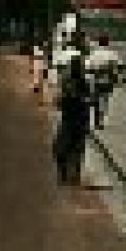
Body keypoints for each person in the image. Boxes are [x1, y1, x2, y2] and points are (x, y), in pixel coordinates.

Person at [53, 54, 91, 186]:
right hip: (70, 119)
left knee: (72, 149)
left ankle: (73, 175)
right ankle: (67, 174)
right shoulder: (66, 82)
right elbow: (58, 101)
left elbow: (87, 102)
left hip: (75, 120)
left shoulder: (84, 83)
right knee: (64, 149)